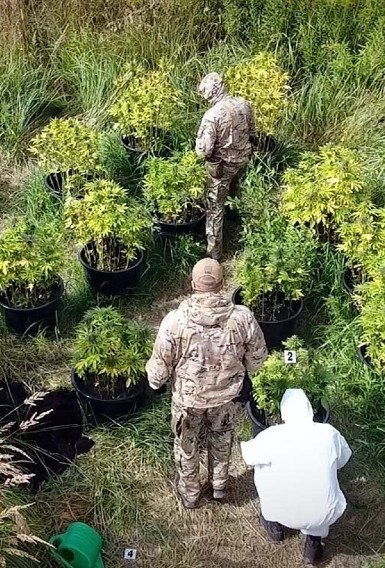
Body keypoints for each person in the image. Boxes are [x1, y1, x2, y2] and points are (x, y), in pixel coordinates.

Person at [146, 258, 267, 509]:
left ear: (192, 284)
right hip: (227, 397)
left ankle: (190, 494)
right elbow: (257, 359)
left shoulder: (175, 321)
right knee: (221, 440)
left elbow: (160, 365)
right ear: (222, 284)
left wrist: (155, 384)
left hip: (188, 400)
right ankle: (219, 486)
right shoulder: (242, 318)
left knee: (186, 446)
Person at [241, 389, 352, 565]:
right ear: (309, 410)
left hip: (279, 509)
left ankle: (275, 528)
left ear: (284, 413)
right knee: (321, 495)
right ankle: (314, 545)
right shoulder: (329, 433)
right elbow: (343, 459)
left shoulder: (271, 436)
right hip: (323, 514)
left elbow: (248, 457)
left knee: (261, 467)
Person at [194, 72, 256, 261]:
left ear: (210, 93)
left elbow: (203, 151)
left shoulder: (212, 116)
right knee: (235, 195)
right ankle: (237, 223)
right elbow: (253, 131)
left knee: (214, 209)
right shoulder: (243, 104)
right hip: (243, 160)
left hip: (222, 169)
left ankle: (214, 254)